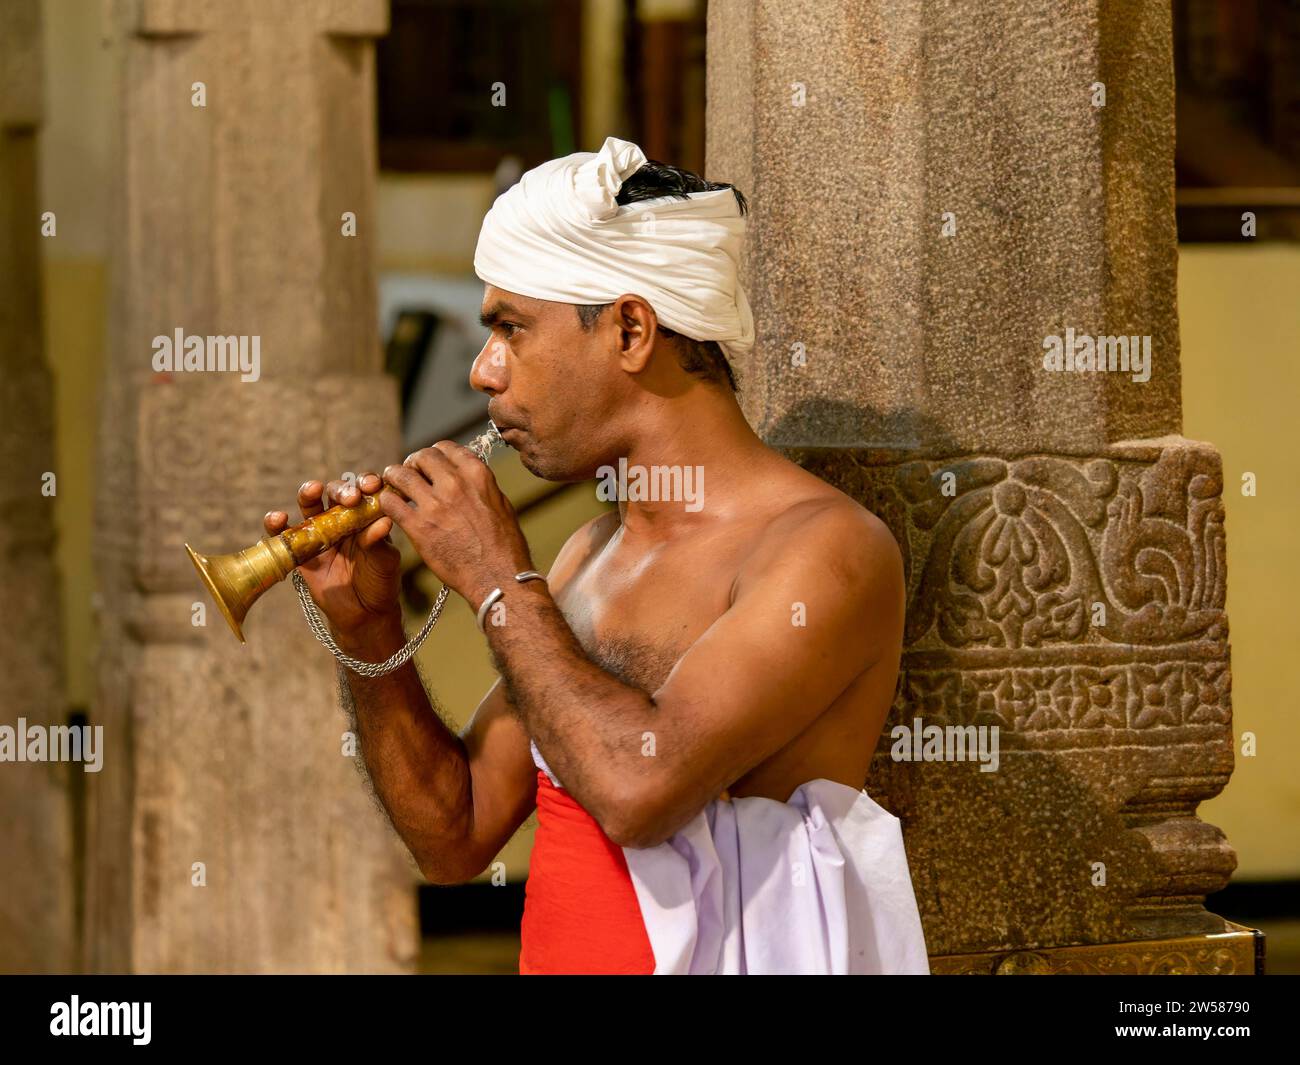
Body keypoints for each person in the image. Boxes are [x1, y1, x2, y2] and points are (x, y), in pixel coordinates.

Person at [264, 137, 929, 974]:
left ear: (629, 329)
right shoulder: (588, 554)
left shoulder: (821, 552)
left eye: (511, 328)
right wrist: (366, 635)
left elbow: (637, 793)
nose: (483, 371)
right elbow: (455, 833)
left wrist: (499, 581)